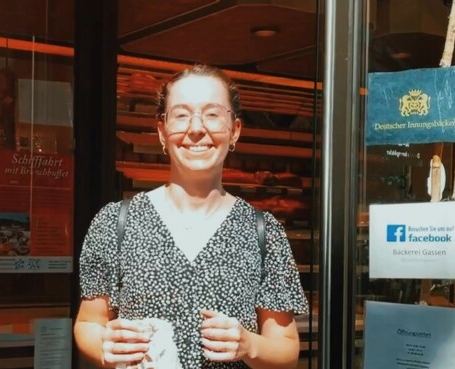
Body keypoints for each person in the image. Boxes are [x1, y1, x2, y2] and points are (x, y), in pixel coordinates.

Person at [74, 64, 308, 369]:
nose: (196, 129)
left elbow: (286, 348)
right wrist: (106, 345)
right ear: (162, 131)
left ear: (235, 130)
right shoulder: (115, 222)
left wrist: (250, 344)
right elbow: (88, 323)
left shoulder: (263, 232)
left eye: (212, 114)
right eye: (181, 115)